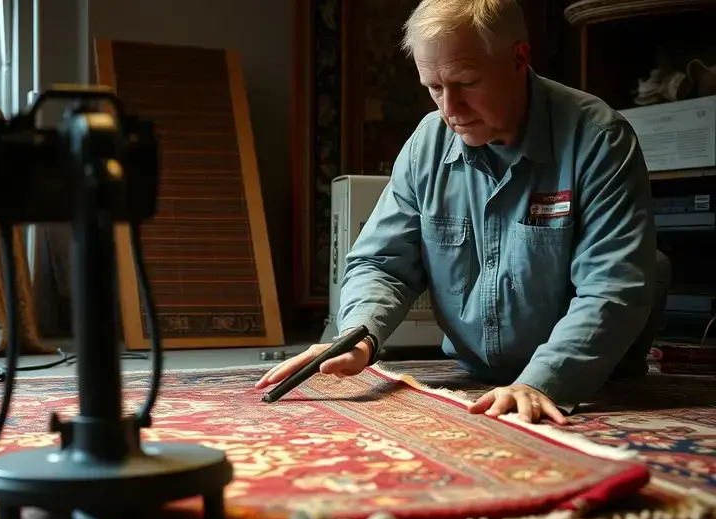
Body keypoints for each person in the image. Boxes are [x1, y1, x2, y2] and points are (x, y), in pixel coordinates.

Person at [257, 0, 671, 424]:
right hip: (476, 375)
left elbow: (612, 285)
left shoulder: (600, 139)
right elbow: (382, 262)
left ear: (518, 58)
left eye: (466, 82)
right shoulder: (427, 143)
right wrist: (359, 334)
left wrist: (543, 381)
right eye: (434, 88)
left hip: (594, 379)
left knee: (648, 267)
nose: (449, 110)